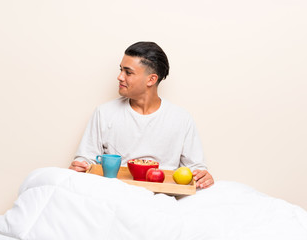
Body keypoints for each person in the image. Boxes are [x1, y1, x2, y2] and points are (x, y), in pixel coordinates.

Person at [69, 41, 214, 189]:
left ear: (151, 79)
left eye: (128, 72)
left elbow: (196, 168)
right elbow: (86, 160)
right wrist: (80, 166)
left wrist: (203, 176)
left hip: (162, 195)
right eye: (121, 70)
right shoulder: (104, 113)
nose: (119, 77)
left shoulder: (181, 118)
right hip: (114, 193)